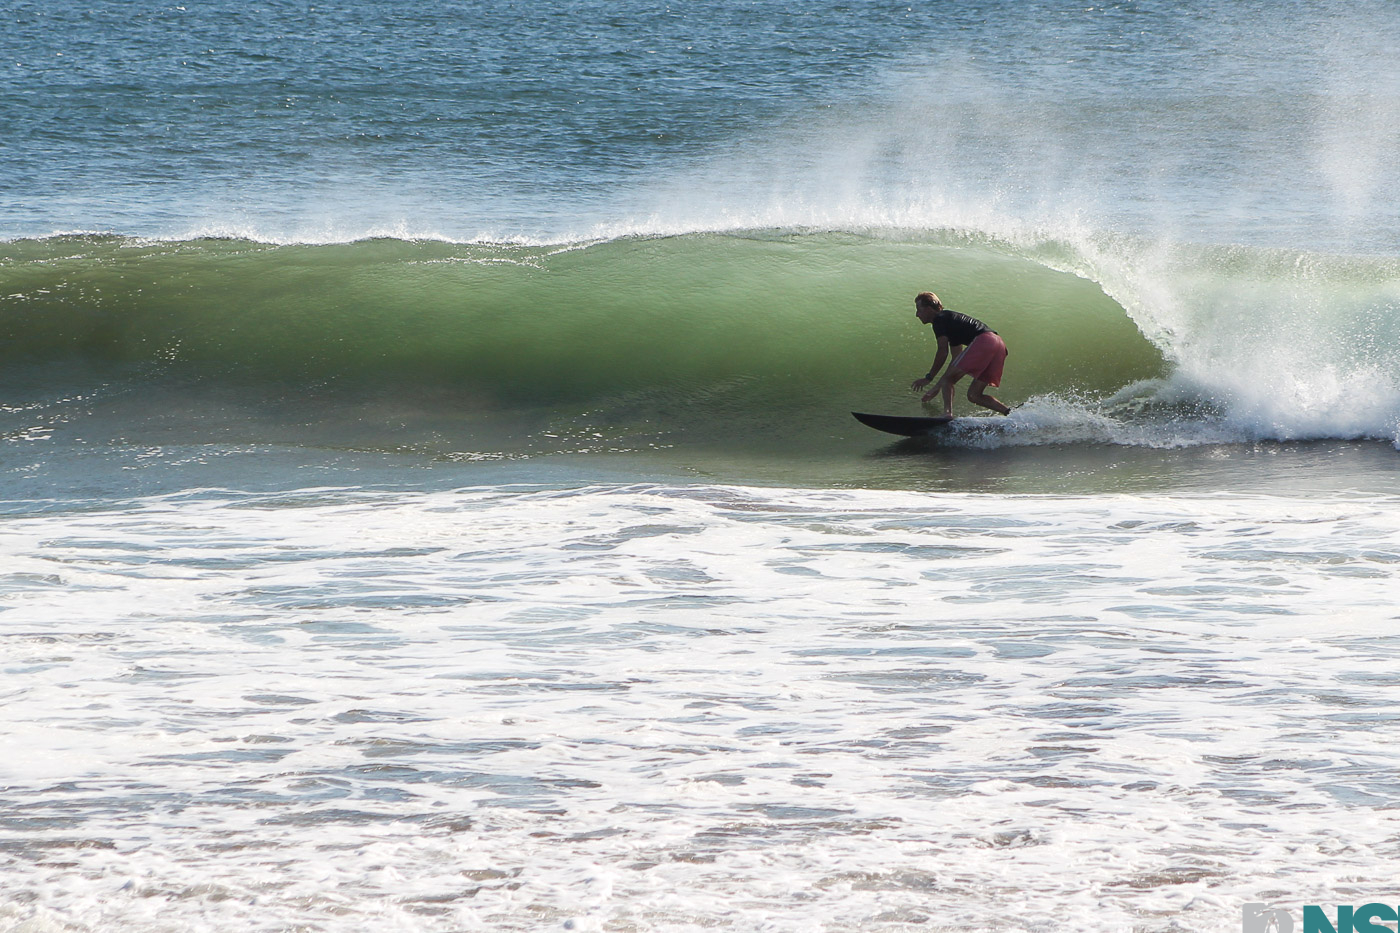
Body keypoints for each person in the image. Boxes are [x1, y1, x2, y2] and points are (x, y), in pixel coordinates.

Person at [908, 291, 1012, 416]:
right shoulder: (951, 322)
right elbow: (955, 359)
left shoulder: (939, 319)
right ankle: (1011, 413)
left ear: (929, 309)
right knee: (974, 395)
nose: (917, 315)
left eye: (919, 310)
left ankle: (947, 414)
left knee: (948, 379)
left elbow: (942, 352)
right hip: (999, 345)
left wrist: (929, 377)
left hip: (984, 341)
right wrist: (936, 387)